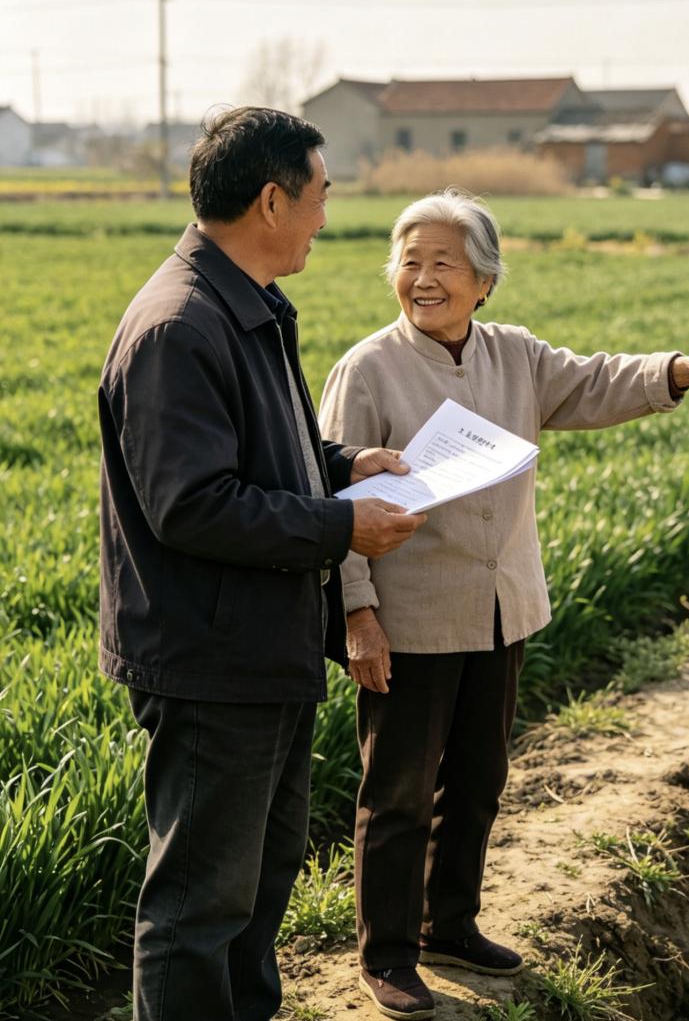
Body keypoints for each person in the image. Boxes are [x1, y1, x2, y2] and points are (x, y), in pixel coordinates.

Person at [319, 189, 689, 1020]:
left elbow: (599, 380)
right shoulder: (369, 368)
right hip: (412, 616)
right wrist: (358, 613)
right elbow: (336, 505)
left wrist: (685, 368)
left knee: (481, 778)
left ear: (484, 280)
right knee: (398, 791)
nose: (422, 278)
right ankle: (386, 954)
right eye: (409, 261)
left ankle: (449, 923)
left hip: (498, 608)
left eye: (442, 263)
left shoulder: (515, 357)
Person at [98, 107, 426, 1021]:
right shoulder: (180, 327)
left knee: (259, 879)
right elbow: (193, 504)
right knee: (199, 904)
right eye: (320, 196)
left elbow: (262, 455)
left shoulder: (245, 305)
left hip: (261, 650)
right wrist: (339, 526)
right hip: (211, 660)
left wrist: (341, 466)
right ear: (272, 200)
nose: (327, 216)